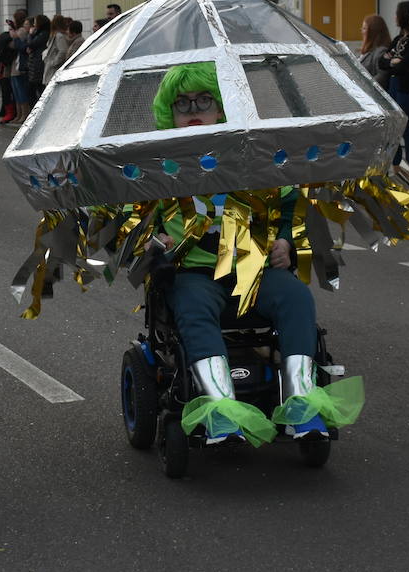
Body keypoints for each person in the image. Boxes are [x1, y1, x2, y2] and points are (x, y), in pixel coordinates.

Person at [144, 62, 362, 445]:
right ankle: (221, 412)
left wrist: (286, 243)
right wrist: (152, 240)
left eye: (204, 100)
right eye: (183, 104)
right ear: (170, 113)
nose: (194, 109)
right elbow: (135, 221)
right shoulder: (158, 166)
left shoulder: (252, 156)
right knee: (192, 309)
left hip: (254, 271)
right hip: (194, 274)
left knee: (295, 297)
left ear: (221, 107)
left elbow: (289, 204)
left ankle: (302, 404)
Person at [385, 1, 409, 181]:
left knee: (407, 131)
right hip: (393, 87)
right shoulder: (398, 39)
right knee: (395, 132)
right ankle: (398, 170)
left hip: (407, 89)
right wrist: (394, 63)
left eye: (397, 13)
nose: (394, 17)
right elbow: (383, 62)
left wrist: (394, 63)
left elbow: (407, 65)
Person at [357, 14, 392, 88]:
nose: (362, 31)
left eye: (364, 28)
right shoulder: (368, 50)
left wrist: (365, 86)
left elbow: (382, 76)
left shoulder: (381, 51)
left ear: (373, 31)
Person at [41, 13, 71, 84]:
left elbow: (63, 51)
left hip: (54, 69)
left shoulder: (59, 36)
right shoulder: (57, 35)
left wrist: (53, 63)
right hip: (52, 68)